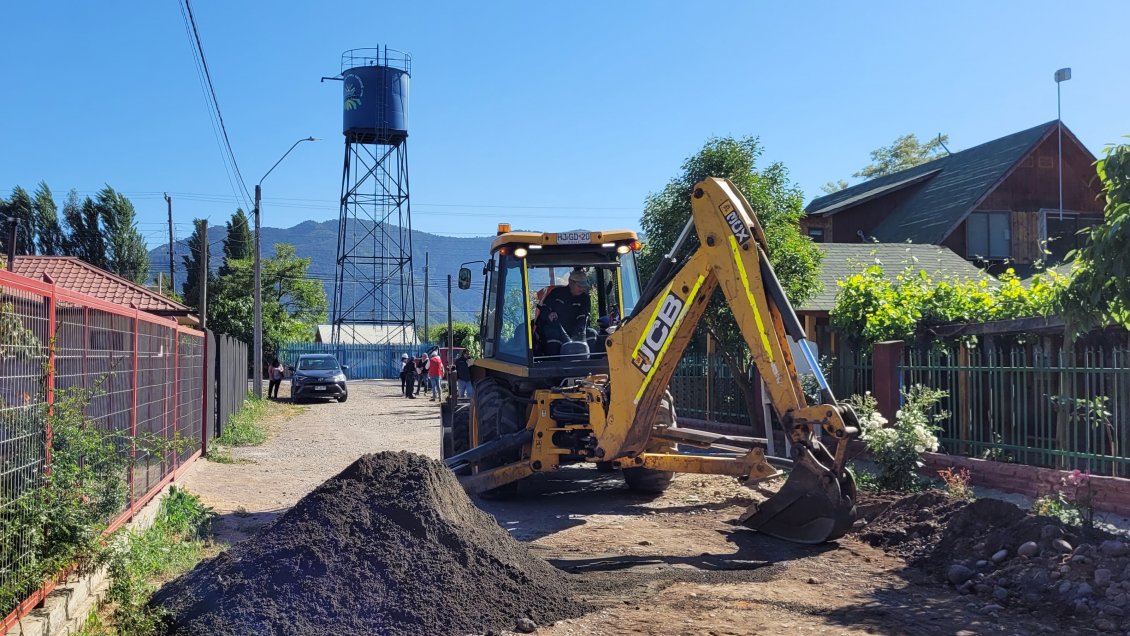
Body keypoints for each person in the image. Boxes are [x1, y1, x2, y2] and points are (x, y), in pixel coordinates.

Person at [537, 268, 592, 356]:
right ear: (571, 282)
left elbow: (584, 317)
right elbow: (544, 310)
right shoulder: (556, 293)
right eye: (579, 286)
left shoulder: (585, 298)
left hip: (577, 330)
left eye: (584, 286)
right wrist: (549, 315)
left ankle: (590, 363)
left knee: (591, 334)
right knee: (552, 334)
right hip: (556, 328)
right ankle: (553, 364)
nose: (582, 289)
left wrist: (578, 334)